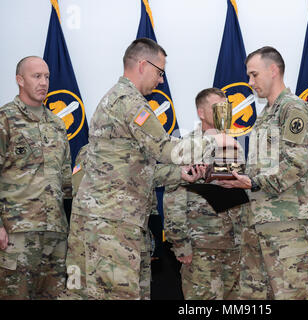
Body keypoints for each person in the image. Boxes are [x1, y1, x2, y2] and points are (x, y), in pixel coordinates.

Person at [63, 38, 233, 300]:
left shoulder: (123, 100)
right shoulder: (129, 103)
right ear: (143, 64)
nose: (161, 80)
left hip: (117, 221)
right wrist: (215, 139)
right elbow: (166, 149)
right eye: (160, 71)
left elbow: (139, 172)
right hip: (111, 225)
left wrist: (180, 174)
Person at [217, 46, 308, 300]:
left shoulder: (293, 109)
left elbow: (296, 164)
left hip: (284, 222)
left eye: (254, 75)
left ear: (273, 70)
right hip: (256, 222)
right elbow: (261, 167)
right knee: (253, 297)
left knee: (291, 294)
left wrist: (252, 182)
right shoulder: (264, 116)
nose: (250, 82)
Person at [0, 56, 72, 299]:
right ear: (20, 80)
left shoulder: (57, 124)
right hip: (17, 235)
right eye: (36, 76)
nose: (44, 82)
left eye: (47, 77)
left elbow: (65, 180)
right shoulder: (5, 120)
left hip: (55, 234)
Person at [164, 88, 243, 300]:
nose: (224, 113)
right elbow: (173, 199)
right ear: (201, 112)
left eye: (226, 108)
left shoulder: (234, 146)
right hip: (201, 248)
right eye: (217, 108)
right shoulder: (187, 147)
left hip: (235, 247)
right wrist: (180, 243)